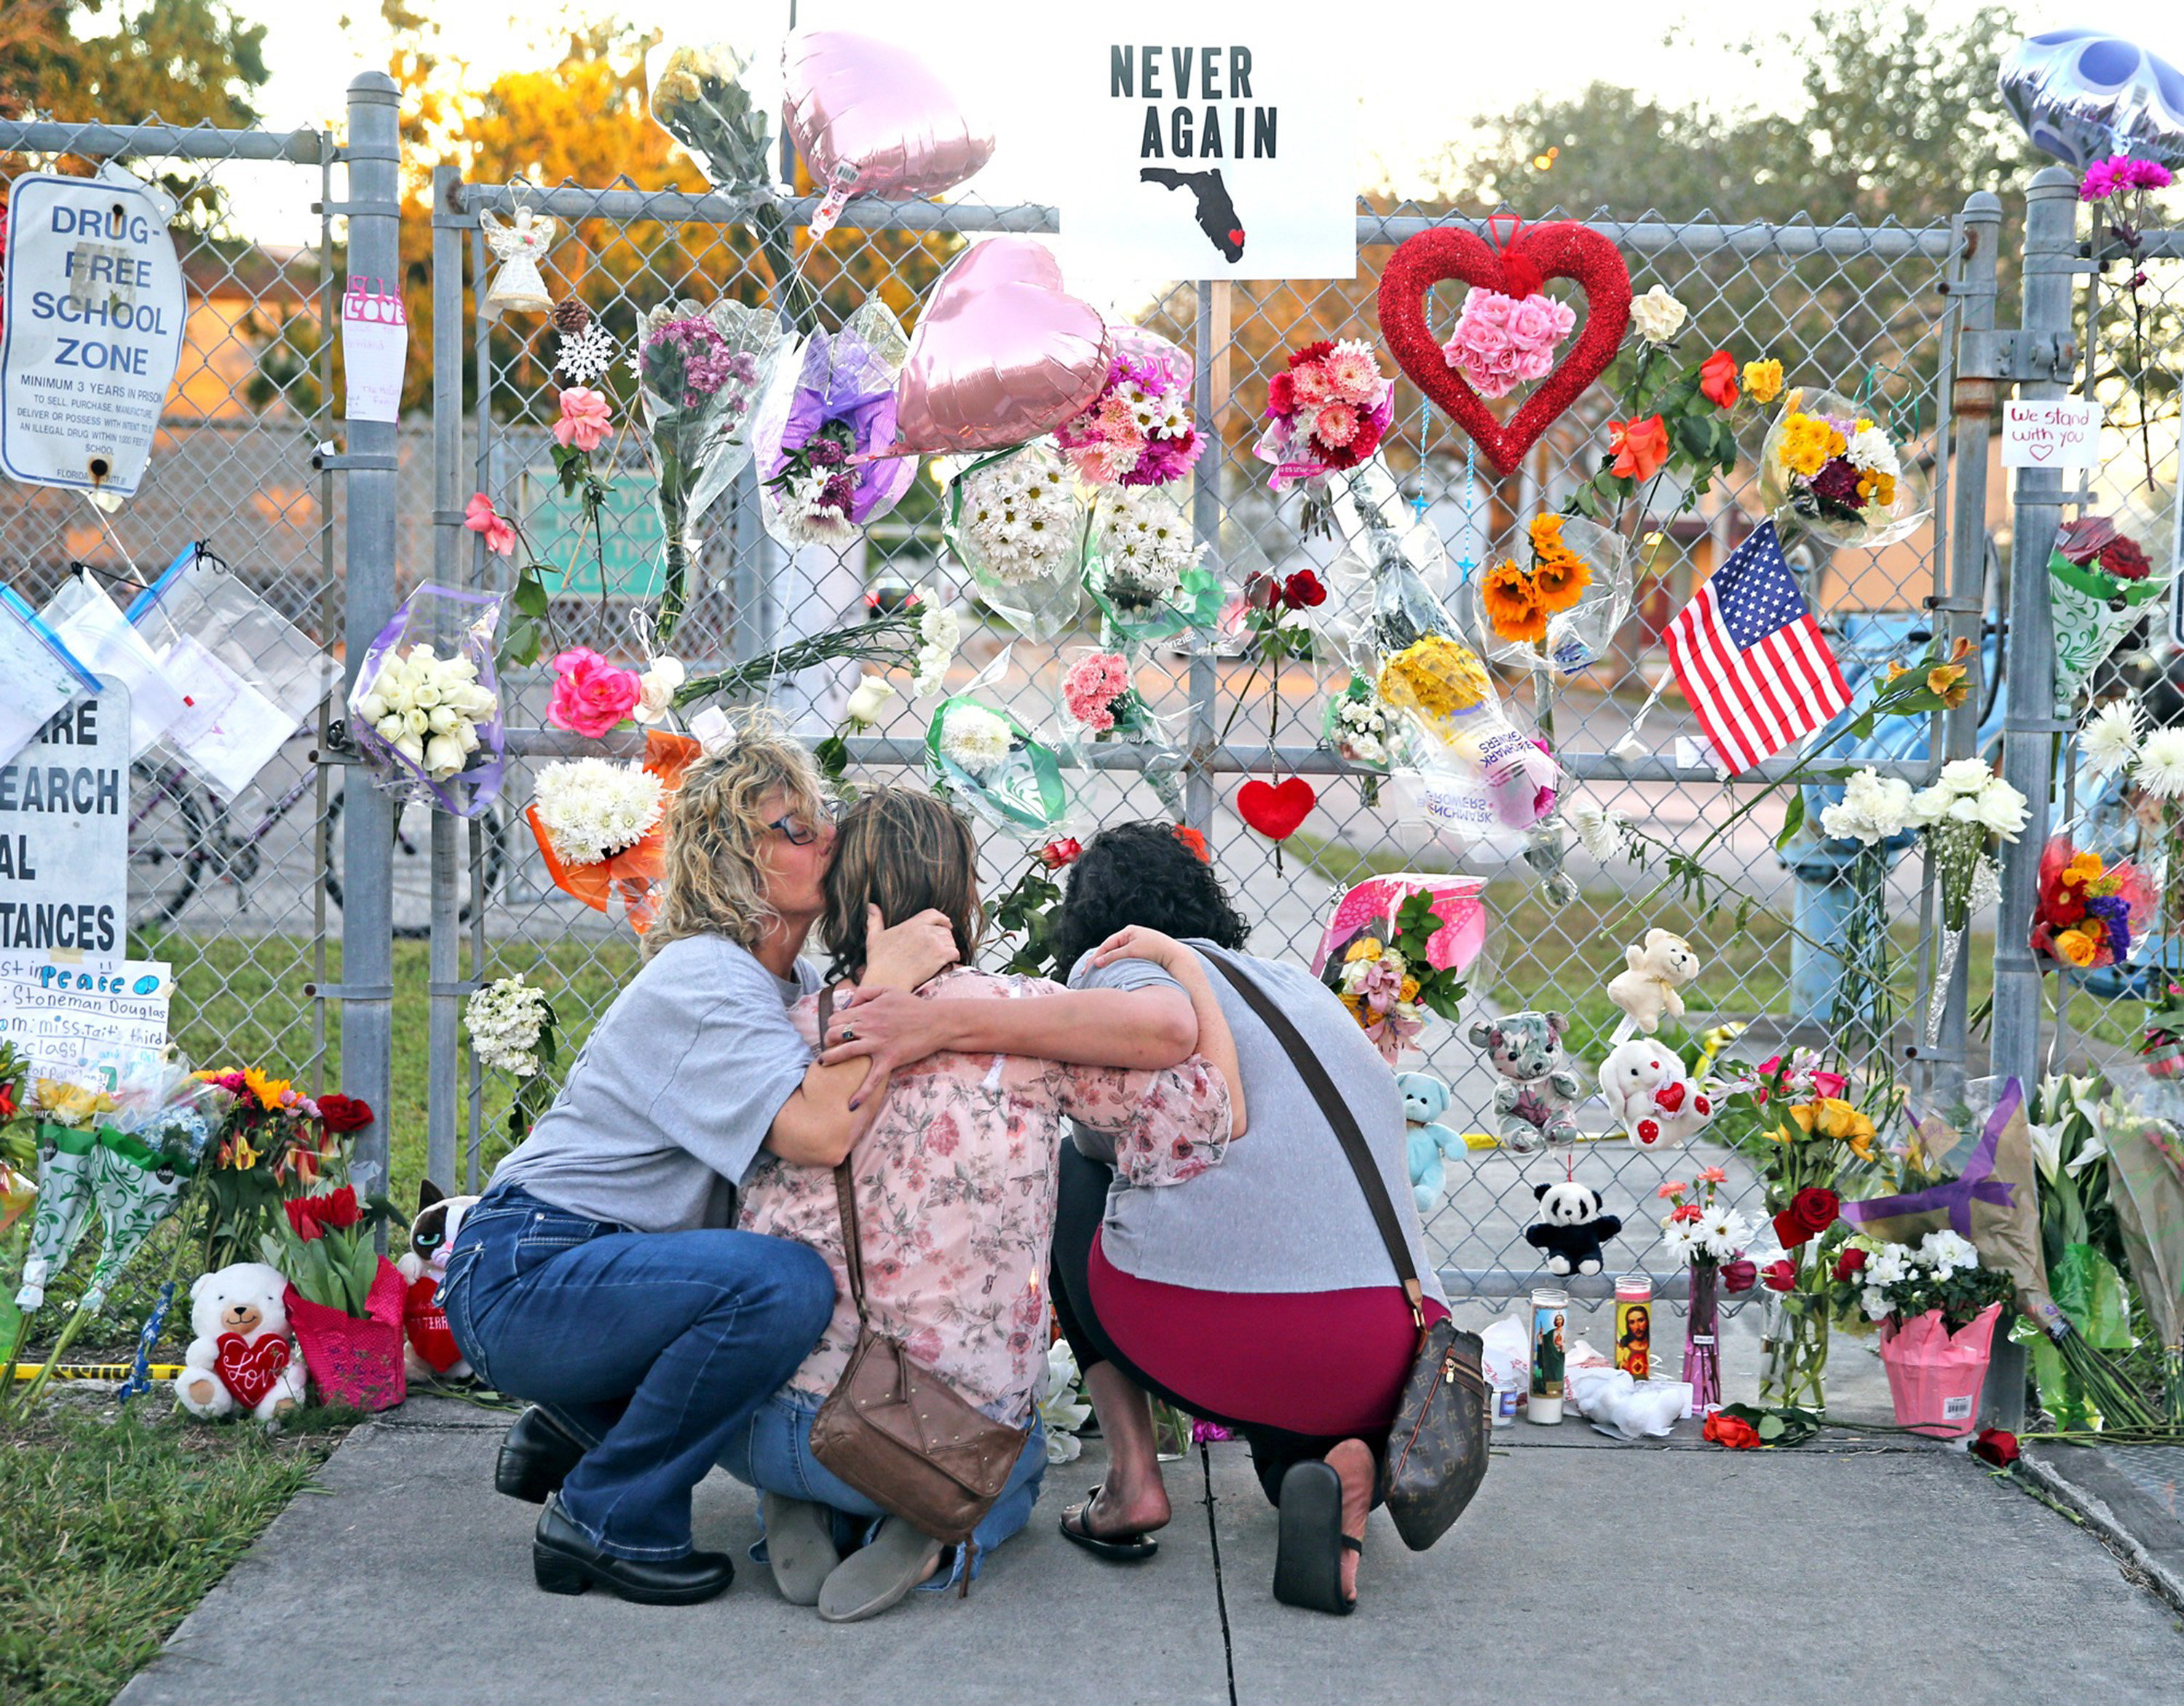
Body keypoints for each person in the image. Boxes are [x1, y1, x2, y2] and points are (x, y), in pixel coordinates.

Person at [440, 720, 1207, 1607]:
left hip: (613, 1271)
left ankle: (586, 1426)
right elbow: (819, 1133)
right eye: (794, 830)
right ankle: (606, 1516)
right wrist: (890, 989)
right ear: (733, 860)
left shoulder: (796, 994)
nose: (827, 840)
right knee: (782, 1285)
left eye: (822, 822)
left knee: (775, 1282)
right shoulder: (703, 979)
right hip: (533, 1268)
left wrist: (925, 1008)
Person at [874, 818, 1452, 1617]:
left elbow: (1103, 1139)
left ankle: (1133, 1481)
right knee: (1290, 1377)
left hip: (1221, 1329)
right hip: (1389, 1346)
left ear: (1094, 926)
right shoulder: (1299, 987)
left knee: (1075, 1170)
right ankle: (1344, 1460)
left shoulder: (1124, 966)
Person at [721, 789, 1245, 1623]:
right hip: (920, 1435)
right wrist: (1189, 966)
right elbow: (1207, 1115)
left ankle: (790, 1501)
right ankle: (935, 1528)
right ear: (961, 896)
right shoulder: (1027, 1023)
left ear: (843, 896)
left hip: (753, 1428)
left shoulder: (785, 1027)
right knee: (1021, 1454)